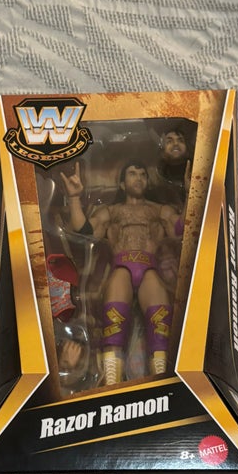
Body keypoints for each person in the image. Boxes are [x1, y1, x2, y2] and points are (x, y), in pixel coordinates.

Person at [60, 160, 188, 386]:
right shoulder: (111, 211)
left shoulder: (160, 210)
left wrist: (192, 194)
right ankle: (112, 384)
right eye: (132, 173)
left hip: (150, 270)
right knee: (113, 327)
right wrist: (74, 197)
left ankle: (163, 381)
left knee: (161, 329)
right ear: (121, 183)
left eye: (142, 174)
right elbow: (84, 231)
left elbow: (183, 228)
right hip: (121, 268)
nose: (138, 178)